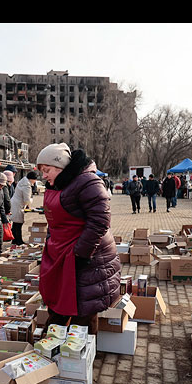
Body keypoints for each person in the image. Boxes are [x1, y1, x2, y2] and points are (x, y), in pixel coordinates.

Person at [36, 143, 121, 335]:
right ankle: (51, 350)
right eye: (42, 171)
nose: (43, 176)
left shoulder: (88, 182)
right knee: (58, 305)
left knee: (83, 312)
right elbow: (55, 222)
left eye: (47, 170)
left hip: (87, 259)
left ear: (60, 167)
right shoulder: (59, 184)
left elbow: (100, 221)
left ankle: (82, 357)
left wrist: (80, 253)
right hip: (61, 255)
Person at [10, 171, 37, 245]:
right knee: (18, 224)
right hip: (18, 205)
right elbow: (27, 200)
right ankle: (18, 241)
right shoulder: (26, 186)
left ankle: (14, 239)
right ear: (32, 179)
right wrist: (31, 201)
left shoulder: (22, 182)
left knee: (15, 224)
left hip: (15, 203)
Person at [0, 172, 11, 257]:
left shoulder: (1, 191)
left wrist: (5, 220)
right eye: (0, 185)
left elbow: (1, 207)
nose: (1, 187)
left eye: (2, 186)